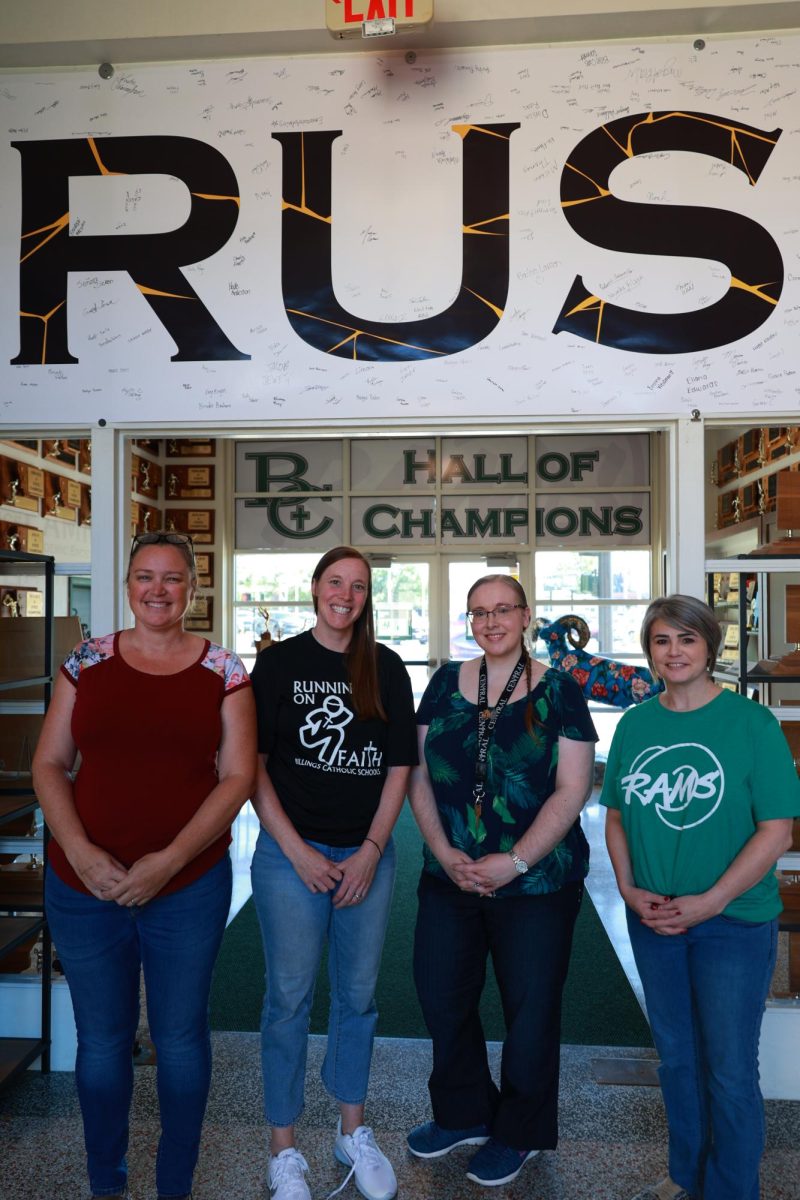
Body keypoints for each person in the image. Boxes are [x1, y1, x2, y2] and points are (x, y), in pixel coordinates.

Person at [32, 530, 256, 1200]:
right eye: (144, 577)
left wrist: (169, 861)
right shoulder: (85, 662)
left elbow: (238, 778)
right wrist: (79, 851)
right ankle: (107, 1183)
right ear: (128, 585)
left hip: (186, 884)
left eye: (172, 578)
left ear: (192, 588)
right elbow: (48, 763)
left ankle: (173, 1186)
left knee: (180, 1039)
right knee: (101, 1044)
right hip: (82, 885)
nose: (157, 590)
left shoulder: (224, 671)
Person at [600, 594, 799, 1200]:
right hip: (655, 919)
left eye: (687, 639)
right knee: (678, 1062)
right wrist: (629, 889)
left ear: (710, 646)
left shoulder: (752, 724)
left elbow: (777, 831)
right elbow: (614, 815)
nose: (674, 651)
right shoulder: (637, 723)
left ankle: (734, 1188)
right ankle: (686, 1175)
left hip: (731, 922)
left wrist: (711, 900)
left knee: (729, 1068)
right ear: (650, 651)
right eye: (662, 641)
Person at [406, 574, 597, 1188]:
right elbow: (416, 776)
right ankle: (463, 1113)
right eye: (479, 613)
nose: (491, 622)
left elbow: (573, 788)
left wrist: (513, 862)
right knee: (441, 996)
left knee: (532, 1010)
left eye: (502, 610)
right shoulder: (442, 684)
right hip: (449, 875)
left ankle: (520, 1132)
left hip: (537, 884)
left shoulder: (561, 691)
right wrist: (443, 850)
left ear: (525, 616)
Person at [249, 546, 417, 1200]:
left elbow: (399, 766)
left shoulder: (386, 667)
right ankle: (283, 1148)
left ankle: (352, 1130)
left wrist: (373, 849)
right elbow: (254, 767)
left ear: (366, 597)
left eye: (358, 586)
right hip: (292, 857)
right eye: (335, 582)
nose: (345, 594)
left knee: (357, 997)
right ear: (316, 588)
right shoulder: (279, 663)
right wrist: (296, 850)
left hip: (364, 856)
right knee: (287, 999)